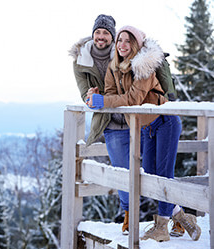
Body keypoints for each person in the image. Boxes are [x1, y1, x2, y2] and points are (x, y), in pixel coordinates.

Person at [86, 25, 201, 242]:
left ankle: (161, 227)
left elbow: (134, 98)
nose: (122, 45)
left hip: (165, 123)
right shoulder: (114, 66)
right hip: (146, 127)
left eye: (127, 41)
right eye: (119, 40)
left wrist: (106, 102)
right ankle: (184, 218)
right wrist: (99, 96)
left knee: (164, 174)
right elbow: (112, 94)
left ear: (136, 45)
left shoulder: (145, 65)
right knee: (149, 177)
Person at [69, 14, 131, 235]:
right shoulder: (82, 60)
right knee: (123, 171)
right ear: (93, 34)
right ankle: (128, 215)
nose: (101, 37)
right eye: (98, 32)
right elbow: (85, 97)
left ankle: (167, 215)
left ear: (112, 36)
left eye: (105, 33)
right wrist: (90, 95)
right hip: (111, 123)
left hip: (136, 120)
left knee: (152, 170)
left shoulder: (124, 51)